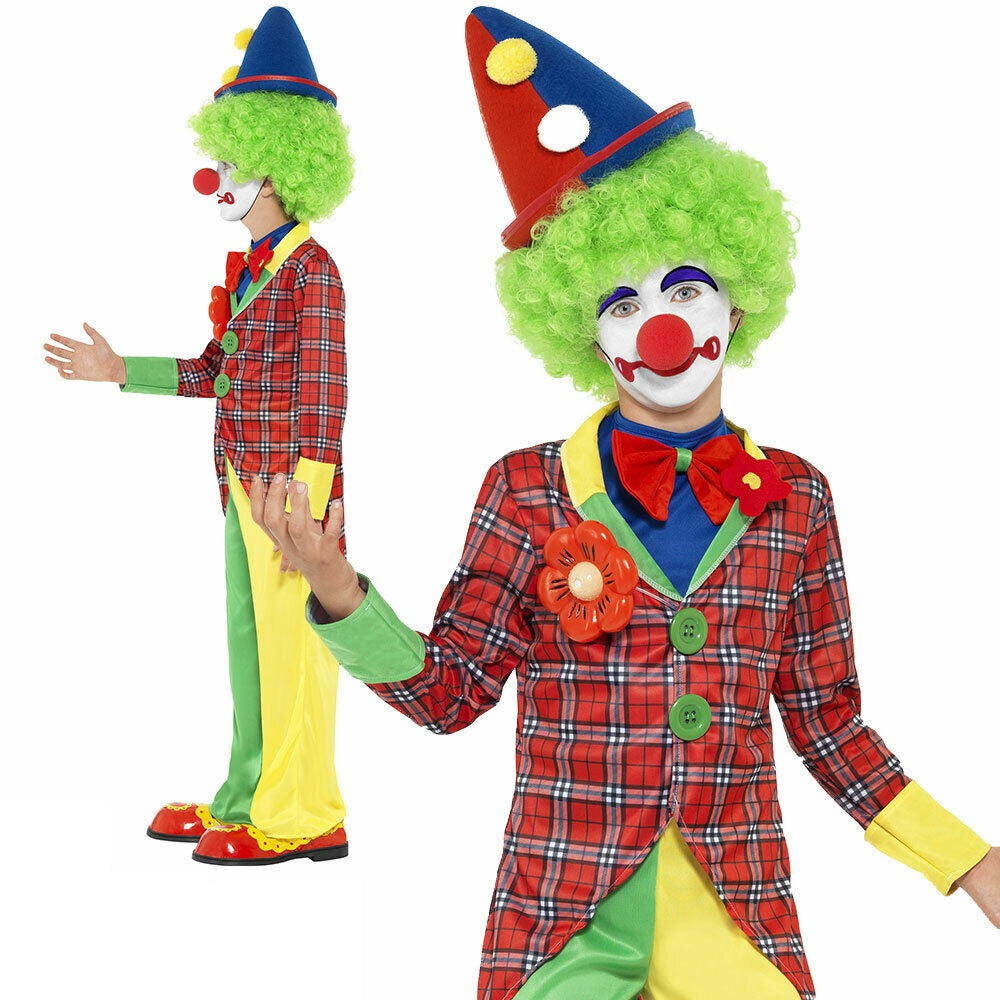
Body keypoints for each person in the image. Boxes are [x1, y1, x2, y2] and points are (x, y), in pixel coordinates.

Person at [255, 5, 999, 997]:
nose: (659, 330)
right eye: (621, 303)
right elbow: (449, 696)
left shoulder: (796, 500)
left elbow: (827, 725)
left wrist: (968, 861)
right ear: (584, 331)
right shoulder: (526, 489)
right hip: (564, 919)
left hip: (734, 913)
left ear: (736, 297)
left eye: (683, 289)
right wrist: (339, 592)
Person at [42, 6, 354, 866]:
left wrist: (306, 508)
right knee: (251, 649)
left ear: (281, 169)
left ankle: (306, 813)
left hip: (289, 497)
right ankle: (246, 796)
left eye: (235, 164)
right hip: (240, 487)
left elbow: (325, 397)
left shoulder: (311, 270)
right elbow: (217, 371)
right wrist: (121, 370)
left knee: (296, 648)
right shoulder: (255, 272)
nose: (218, 179)